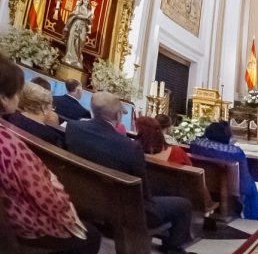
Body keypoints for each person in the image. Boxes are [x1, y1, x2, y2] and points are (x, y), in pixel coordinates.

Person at [65, 91, 193, 254]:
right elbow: (144, 194)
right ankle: (173, 248)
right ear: (118, 116)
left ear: (92, 109)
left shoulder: (73, 128)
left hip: (83, 196)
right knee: (184, 204)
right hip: (127, 210)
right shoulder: (130, 147)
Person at [0, 54, 100, 253]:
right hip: (22, 223)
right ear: (3, 98)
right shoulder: (10, 145)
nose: (18, 98)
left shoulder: (10, 126)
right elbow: (48, 199)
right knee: (92, 236)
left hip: (10, 210)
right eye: (16, 93)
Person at [190, 121, 258, 221]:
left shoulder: (196, 145)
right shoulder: (235, 151)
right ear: (227, 136)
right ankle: (253, 215)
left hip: (200, 184)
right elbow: (244, 175)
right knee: (250, 184)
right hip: (228, 187)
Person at [6, 81, 65, 147]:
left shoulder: (10, 117)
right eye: (51, 107)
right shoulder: (53, 137)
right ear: (44, 107)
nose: (51, 110)